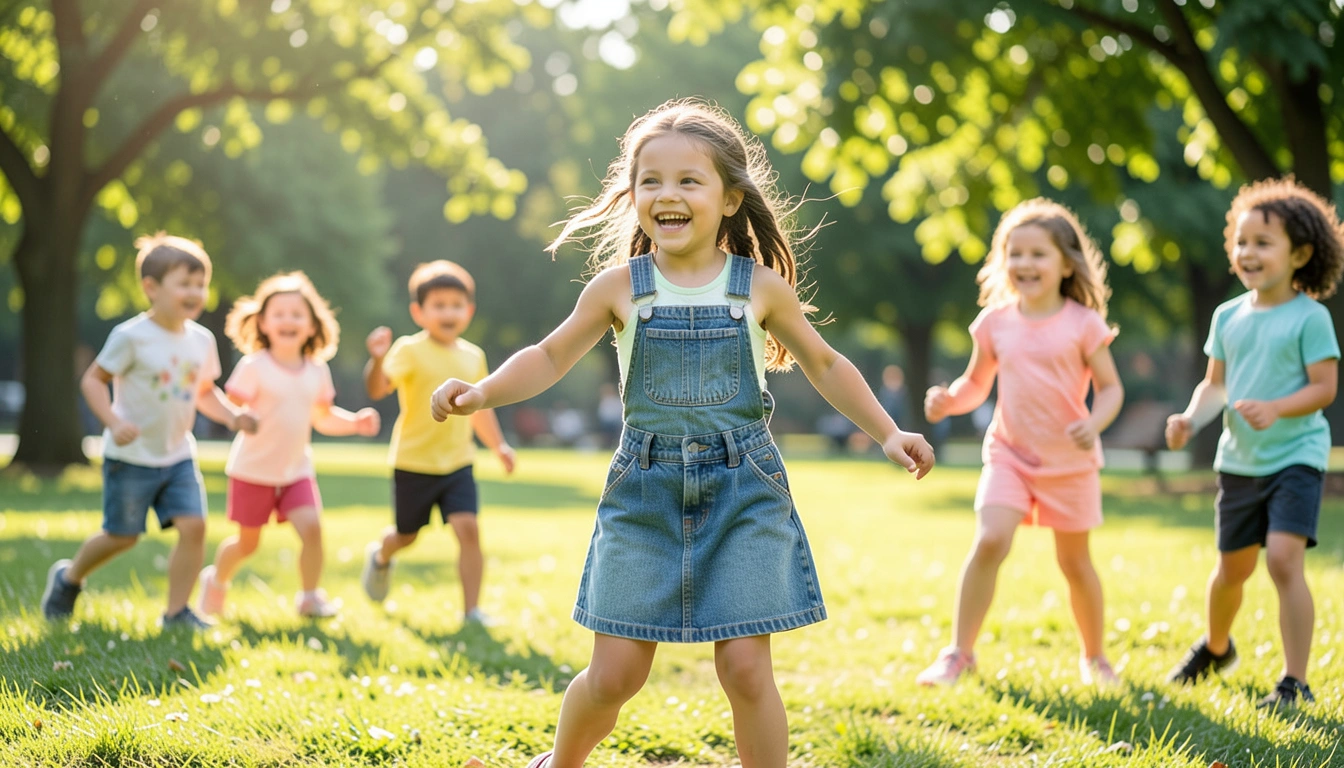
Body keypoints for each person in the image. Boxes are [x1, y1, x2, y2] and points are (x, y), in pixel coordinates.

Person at [430, 99, 934, 768]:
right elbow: (549, 356)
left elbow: (824, 362)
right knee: (615, 677)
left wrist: (887, 430)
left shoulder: (759, 287)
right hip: (644, 492)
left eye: (688, 181)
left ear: (729, 198)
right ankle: (559, 762)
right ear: (633, 194)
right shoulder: (619, 288)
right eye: (651, 180)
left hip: (743, 490)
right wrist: (482, 393)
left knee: (749, 671)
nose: (667, 194)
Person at [918, 198, 1124, 687]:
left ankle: (1095, 658)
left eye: (1038, 254)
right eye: (1016, 253)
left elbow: (1112, 388)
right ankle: (958, 654)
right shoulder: (995, 322)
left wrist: (1094, 425)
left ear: (1067, 263)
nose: (1025, 264)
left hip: (1069, 462)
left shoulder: (1083, 324)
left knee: (1074, 562)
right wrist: (950, 400)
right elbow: (976, 384)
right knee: (990, 539)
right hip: (1009, 453)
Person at [1164, 178, 1344, 709]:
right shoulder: (1227, 316)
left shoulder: (1310, 317)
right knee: (1231, 571)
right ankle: (1217, 647)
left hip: (1296, 458)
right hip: (1239, 462)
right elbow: (1215, 384)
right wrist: (1190, 421)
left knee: (1285, 561)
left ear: (1301, 254)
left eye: (1264, 243)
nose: (1248, 252)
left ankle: (1294, 681)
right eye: (1241, 242)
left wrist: (1276, 408)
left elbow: (1324, 388)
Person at [41, 233, 257, 629]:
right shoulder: (131, 337)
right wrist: (113, 421)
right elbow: (93, 380)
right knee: (122, 536)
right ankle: (69, 578)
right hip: (131, 458)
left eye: (200, 284)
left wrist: (233, 417)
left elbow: (204, 391)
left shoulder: (201, 340)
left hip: (177, 454)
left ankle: (176, 612)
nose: (195, 292)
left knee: (194, 527)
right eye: (185, 284)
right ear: (151, 288)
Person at [197, 272, 380, 619]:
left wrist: (354, 422)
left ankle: (310, 596)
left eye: (297, 314)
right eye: (278, 314)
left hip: (296, 469)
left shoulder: (316, 371)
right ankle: (216, 581)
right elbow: (231, 406)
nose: (288, 321)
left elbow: (322, 417)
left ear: (312, 326)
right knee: (248, 544)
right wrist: (240, 416)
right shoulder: (255, 367)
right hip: (253, 469)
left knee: (312, 529)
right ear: (263, 323)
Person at [362, 260, 516, 624]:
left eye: (456, 304)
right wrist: (377, 359)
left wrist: (499, 446)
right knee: (406, 536)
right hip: (413, 462)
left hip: (457, 463)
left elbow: (480, 410)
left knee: (469, 530)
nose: (449, 312)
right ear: (419, 311)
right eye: (439, 305)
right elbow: (377, 388)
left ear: (469, 310)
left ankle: (472, 611)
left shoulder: (473, 355)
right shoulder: (408, 350)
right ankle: (382, 556)